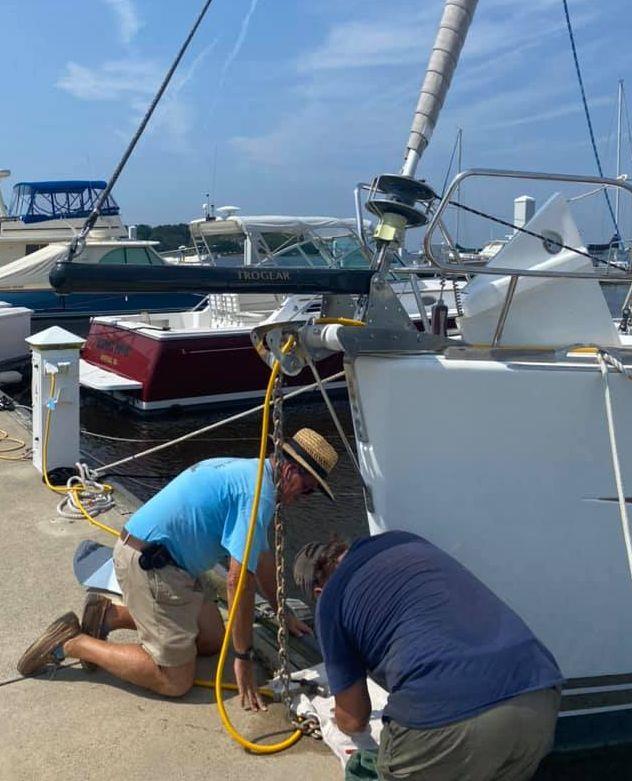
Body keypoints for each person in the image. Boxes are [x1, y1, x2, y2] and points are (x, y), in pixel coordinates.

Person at [18, 428, 339, 711]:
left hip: (171, 566)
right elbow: (239, 580)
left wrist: (283, 611)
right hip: (150, 567)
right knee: (175, 680)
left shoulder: (254, 473)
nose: (303, 498)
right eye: (307, 489)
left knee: (212, 640)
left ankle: (108, 615)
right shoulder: (258, 494)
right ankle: (73, 642)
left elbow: (263, 557)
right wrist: (243, 658)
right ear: (290, 469)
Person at [294, 530, 563, 781]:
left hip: (450, 721)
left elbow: (354, 719)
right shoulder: (403, 541)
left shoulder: (330, 600)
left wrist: (336, 716)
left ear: (318, 592)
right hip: (539, 695)